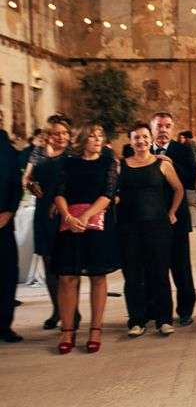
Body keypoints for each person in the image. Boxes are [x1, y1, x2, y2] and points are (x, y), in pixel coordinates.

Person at [53, 124, 119, 354]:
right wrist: (69, 217)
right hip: (69, 223)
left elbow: (108, 195)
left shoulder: (108, 163)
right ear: (82, 139)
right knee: (67, 278)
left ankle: (95, 330)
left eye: (100, 135)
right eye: (92, 136)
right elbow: (59, 193)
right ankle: (67, 331)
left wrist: (85, 216)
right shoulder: (67, 163)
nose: (98, 139)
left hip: (97, 224)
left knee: (97, 277)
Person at [120, 121, 184, 337]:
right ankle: (136, 320)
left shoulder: (162, 164)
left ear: (150, 138)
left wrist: (172, 212)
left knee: (159, 272)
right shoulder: (121, 165)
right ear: (130, 141)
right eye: (137, 137)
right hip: (128, 227)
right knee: (133, 274)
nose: (141, 141)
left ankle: (163, 319)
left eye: (145, 136)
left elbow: (178, 189)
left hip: (157, 226)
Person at [22, 114, 77, 330]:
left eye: (64, 133)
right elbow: (26, 177)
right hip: (43, 212)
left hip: (64, 210)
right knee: (49, 263)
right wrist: (31, 184)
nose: (61, 137)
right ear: (48, 135)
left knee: (68, 264)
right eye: (56, 133)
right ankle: (57, 310)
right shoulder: (38, 152)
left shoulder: (72, 155)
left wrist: (62, 203)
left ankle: (73, 312)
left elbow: (78, 183)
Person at [150, 112, 196, 326]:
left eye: (167, 126)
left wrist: (172, 164)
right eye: (159, 125)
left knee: (181, 267)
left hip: (177, 218)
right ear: (152, 128)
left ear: (172, 128)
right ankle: (155, 309)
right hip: (149, 219)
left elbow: (192, 180)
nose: (163, 130)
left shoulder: (182, 150)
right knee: (153, 268)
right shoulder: (139, 149)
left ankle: (185, 309)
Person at [0, 129, 23, 343]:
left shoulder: (6, 148)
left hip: (3, 222)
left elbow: (16, 185)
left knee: (7, 273)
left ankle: (4, 325)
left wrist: (9, 211)